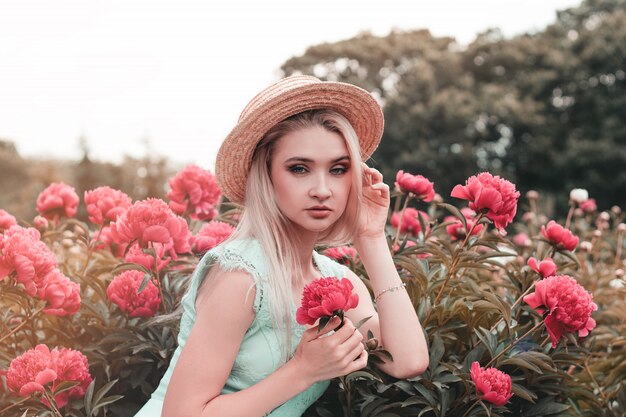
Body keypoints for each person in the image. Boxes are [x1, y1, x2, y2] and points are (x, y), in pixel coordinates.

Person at [134, 75, 429, 417]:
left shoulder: (334, 280)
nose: (322, 189)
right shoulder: (241, 276)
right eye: (299, 168)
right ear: (267, 176)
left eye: (338, 169)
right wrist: (303, 370)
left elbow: (408, 361)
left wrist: (371, 238)